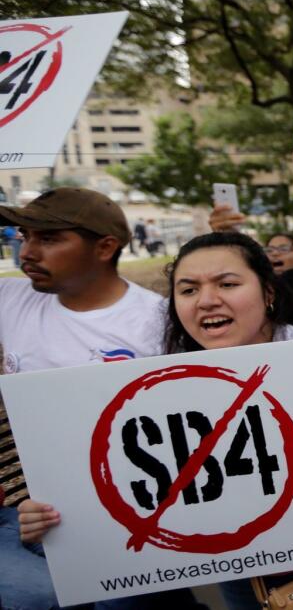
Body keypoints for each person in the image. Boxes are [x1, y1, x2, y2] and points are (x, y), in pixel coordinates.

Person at [22, 230, 293, 609]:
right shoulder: (161, 385)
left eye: (227, 284)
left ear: (268, 292)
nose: (207, 301)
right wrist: (55, 513)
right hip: (241, 569)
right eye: (187, 290)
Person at [0, 188, 197, 609]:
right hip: (26, 513)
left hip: (131, 518)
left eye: (48, 239)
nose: (27, 252)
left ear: (105, 247)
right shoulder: (10, 299)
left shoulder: (158, 322)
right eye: (24, 236)